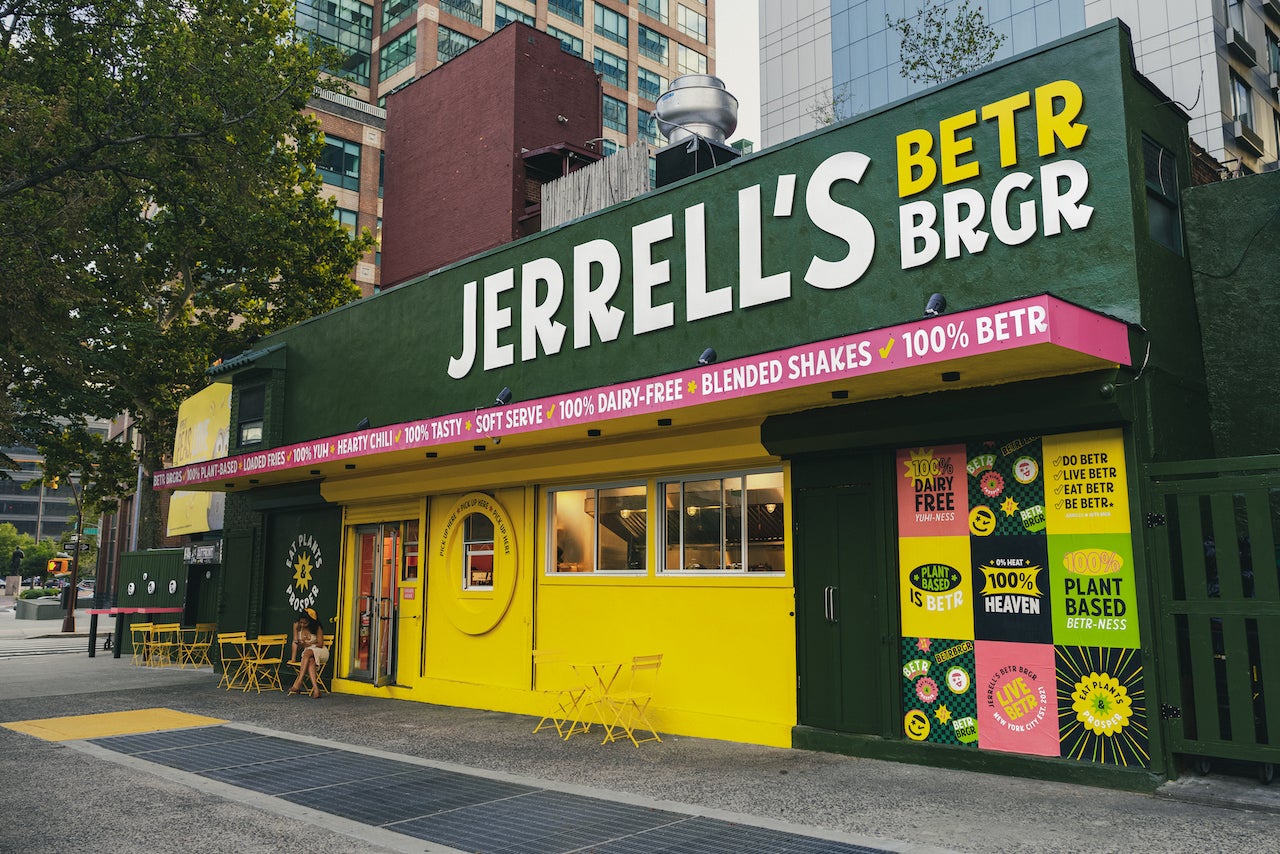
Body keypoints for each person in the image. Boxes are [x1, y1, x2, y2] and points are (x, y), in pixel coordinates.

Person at [288, 608, 328, 698]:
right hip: (308, 654)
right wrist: (294, 657)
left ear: (311, 621)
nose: (302, 624)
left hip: (320, 651)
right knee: (310, 660)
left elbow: (320, 644)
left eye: (305, 623)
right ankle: (316, 690)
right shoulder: (297, 626)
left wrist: (308, 643)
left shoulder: (317, 627)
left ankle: (299, 682)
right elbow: (295, 642)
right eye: (301, 622)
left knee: (308, 652)